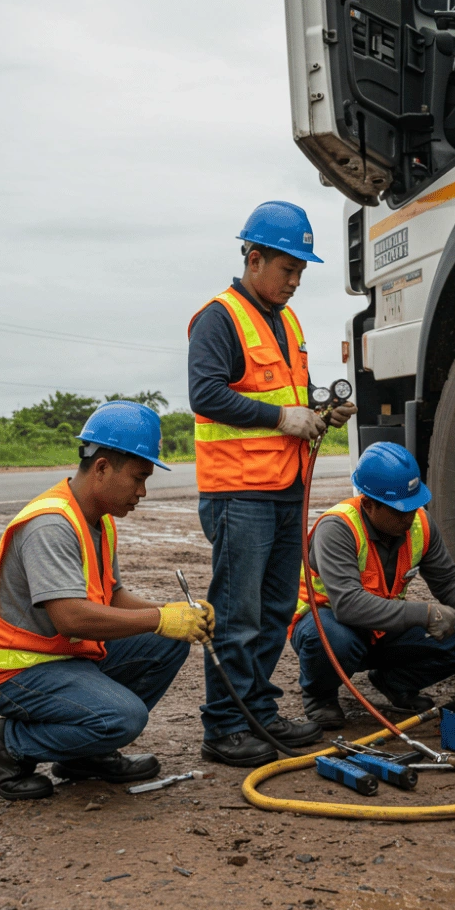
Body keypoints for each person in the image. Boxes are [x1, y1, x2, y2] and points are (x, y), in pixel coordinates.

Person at [0, 401, 214, 800]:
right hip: (14, 671)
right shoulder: (51, 524)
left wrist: (174, 615)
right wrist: (159, 619)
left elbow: (111, 595)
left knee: (168, 641)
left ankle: (85, 755)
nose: (142, 491)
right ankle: (7, 743)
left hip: (61, 656)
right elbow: (71, 618)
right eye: (138, 478)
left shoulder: (98, 519)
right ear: (101, 468)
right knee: (124, 718)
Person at [187, 201, 356, 767]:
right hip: (239, 493)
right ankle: (224, 727)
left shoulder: (287, 321)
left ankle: (257, 710)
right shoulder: (220, 317)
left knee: (276, 609)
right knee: (237, 615)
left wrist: (318, 412)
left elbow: (286, 395)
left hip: (284, 488)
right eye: (288, 269)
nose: (295, 281)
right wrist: (283, 418)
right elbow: (206, 395)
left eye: (301, 272)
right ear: (254, 259)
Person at [289, 441, 455, 729]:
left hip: (381, 627)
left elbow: (448, 578)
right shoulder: (338, 529)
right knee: (331, 638)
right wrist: (426, 614)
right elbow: (348, 606)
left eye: (414, 505)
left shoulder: (419, 523)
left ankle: (395, 682)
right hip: (332, 623)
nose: (410, 516)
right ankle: (321, 697)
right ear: (368, 504)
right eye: (400, 510)